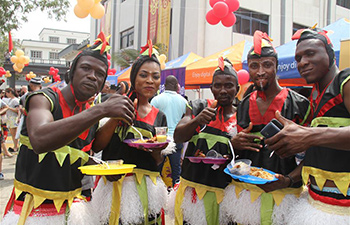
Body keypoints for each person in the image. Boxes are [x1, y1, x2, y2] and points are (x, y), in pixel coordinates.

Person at [1, 32, 135, 225]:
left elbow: (88, 151)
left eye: (99, 74)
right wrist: (102, 109)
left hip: (73, 212)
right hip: (33, 214)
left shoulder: (89, 114)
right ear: (72, 71)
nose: (92, 76)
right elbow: (39, 139)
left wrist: (105, 169)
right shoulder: (44, 99)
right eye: (86, 68)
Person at [265, 27, 350, 224]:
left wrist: (309, 136)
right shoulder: (313, 96)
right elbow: (320, 151)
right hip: (314, 204)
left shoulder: (345, 81)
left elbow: (315, 138)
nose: (302, 62)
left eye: (310, 53)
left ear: (330, 54)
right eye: (298, 58)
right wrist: (287, 180)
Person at [224, 30, 310, 225]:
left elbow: (312, 155)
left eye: (267, 65)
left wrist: (288, 179)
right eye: (254, 66)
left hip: (286, 194)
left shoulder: (300, 104)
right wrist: (234, 143)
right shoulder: (244, 104)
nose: (260, 71)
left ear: (277, 67)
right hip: (248, 195)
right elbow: (236, 155)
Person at [90, 44, 169, 225]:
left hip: (147, 188)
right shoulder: (115, 103)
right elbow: (97, 146)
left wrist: (157, 150)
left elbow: (157, 161)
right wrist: (115, 118)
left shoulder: (159, 116)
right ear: (134, 78)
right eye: (144, 75)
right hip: (115, 186)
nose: (150, 80)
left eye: (155, 77)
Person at [169, 57, 239, 225]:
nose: (223, 90)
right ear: (211, 88)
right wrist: (197, 121)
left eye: (228, 85)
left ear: (237, 88)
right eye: (218, 85)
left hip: (224, 195)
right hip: (192, 193)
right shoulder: (198, 106)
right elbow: (178, 136)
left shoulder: (243, 114)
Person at [151, 75, 188, 186]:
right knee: (176, 172)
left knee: (157, 171)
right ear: (177, 87)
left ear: (164, 86)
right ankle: (175, 197)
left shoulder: (156, 100)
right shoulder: (183, 101)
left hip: (161, 139)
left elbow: (151, 119)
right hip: (177, 139)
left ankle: (155, 193)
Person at [3, 88, 20, 153]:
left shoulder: (15, 100)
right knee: (12, 133)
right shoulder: (10, 100)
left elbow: (17, 110)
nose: (6, 94)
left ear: (10, 92)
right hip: (10, 117)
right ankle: (15, 145)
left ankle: (16, 146)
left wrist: (8, 108)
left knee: (14, 133)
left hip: (13, 117)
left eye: (7, 93)